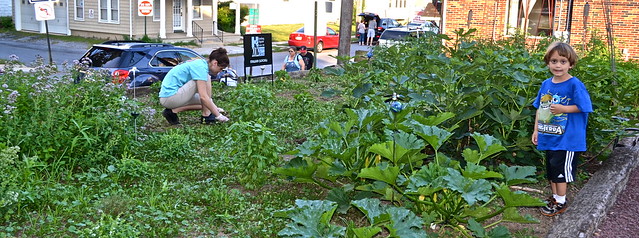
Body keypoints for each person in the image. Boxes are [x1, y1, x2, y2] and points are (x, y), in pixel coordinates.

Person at [532, 42, 592, 216]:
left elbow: (584, 106)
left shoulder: (575, 85)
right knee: (552, 168)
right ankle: (555, 197)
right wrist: (537, 130)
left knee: (561, 170)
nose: (558, 65)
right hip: (549, 135)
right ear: (548, 63)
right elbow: (540, 108)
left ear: (571, 64)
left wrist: (563, 109)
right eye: (554, 61)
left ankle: (561, 201)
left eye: (563, 61)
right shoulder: (546, 84)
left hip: (568, 138)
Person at [159, 47, 230, 125]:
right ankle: (207, 115)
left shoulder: (201, 64)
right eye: (220, 69)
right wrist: (219, 116)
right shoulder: (200, 67)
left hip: (173, 96)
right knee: (204, 83)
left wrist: (215, 108)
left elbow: (206, 100)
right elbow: (203, 96)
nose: (220, 72)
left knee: (207, 102)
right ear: (215, 63)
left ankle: (172, 111)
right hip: (169, 98)